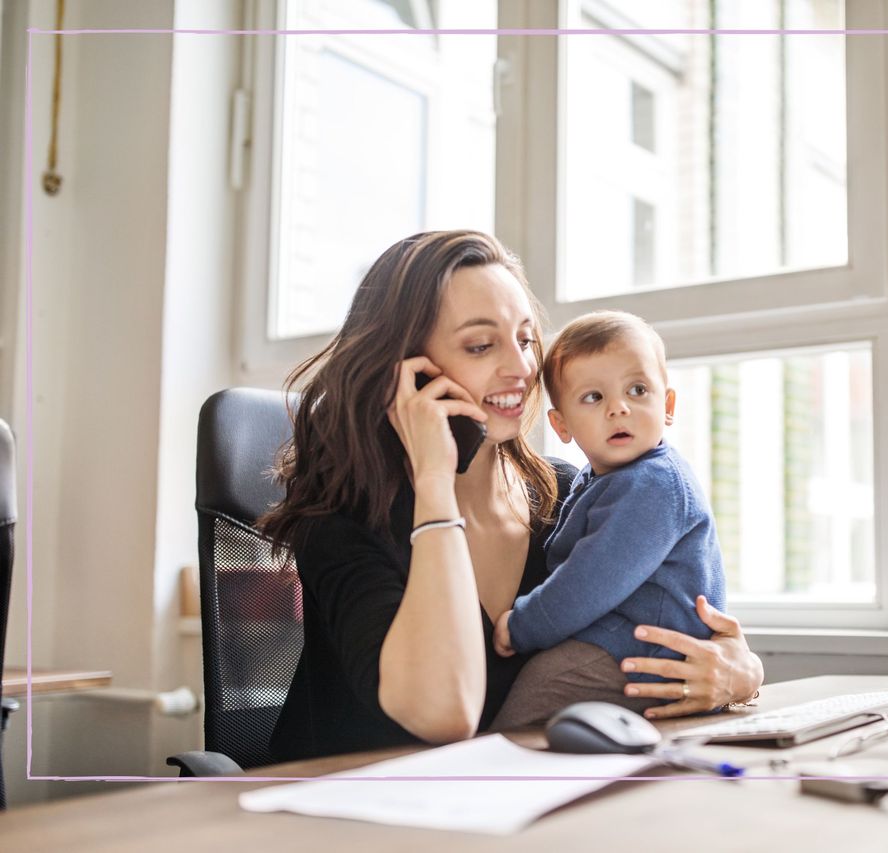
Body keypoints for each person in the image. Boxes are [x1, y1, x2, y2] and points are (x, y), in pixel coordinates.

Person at [259, 230, 763, 762]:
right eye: (481, 345)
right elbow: (444, 714)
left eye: (525, 339)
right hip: (348, 817)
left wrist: (739, 672)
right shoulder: (342, 519)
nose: (523, 369)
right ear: (406, 373)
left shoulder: (567, 495)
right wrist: (435, 481)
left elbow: (684, 625)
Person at [489, 311, 725, 728]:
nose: (619, 409)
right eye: (593, 398)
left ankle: (488, 777)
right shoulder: (600, 478)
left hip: (644, 652)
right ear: (561, 424)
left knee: (527, 708)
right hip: (626, 645)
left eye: (637, 390)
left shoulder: (653, 485)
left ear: (667, 405)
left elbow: (589, 581)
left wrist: (522, 627)